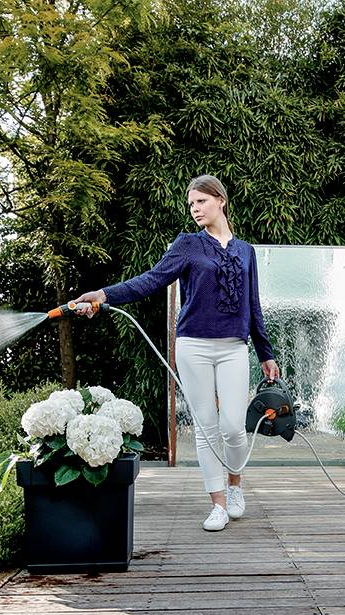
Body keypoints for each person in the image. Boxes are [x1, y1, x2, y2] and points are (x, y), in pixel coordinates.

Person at [73, 174, 279, 532]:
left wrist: (265, 352)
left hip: (233, 347)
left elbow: (254, 305)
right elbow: (151, 279)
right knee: (206, 427)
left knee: (234, 427)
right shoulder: (187, 245)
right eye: (191, 204)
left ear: (221, 200)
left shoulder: (246, 251)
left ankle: (235, 487)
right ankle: (217, 504)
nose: (195, 209)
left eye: (201, 201)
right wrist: (104, 295)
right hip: (193, 347)